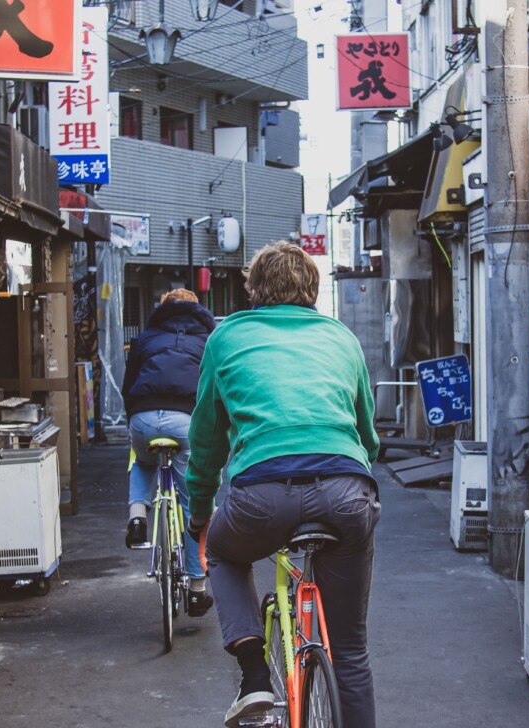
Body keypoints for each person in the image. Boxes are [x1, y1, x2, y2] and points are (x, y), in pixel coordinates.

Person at [185, 242, 381, 728]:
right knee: (351, 651)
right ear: (312, 289)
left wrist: (199, 514)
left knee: (225, 555)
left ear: (254, 288)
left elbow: (206, 441)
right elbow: (368, 435)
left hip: (260, 494)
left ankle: (254, 678)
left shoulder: (226, 339)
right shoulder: (342, 338)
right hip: (345, 489)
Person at [121, 287, 217, 616]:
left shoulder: (145, 338)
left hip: (144, 417)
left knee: (142, 460)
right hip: (185, 420)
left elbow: (128, 385)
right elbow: (213, 390)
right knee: (194, 504)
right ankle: (196, 588)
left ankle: (137, 517)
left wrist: (133, 422)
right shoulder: (209, 341)